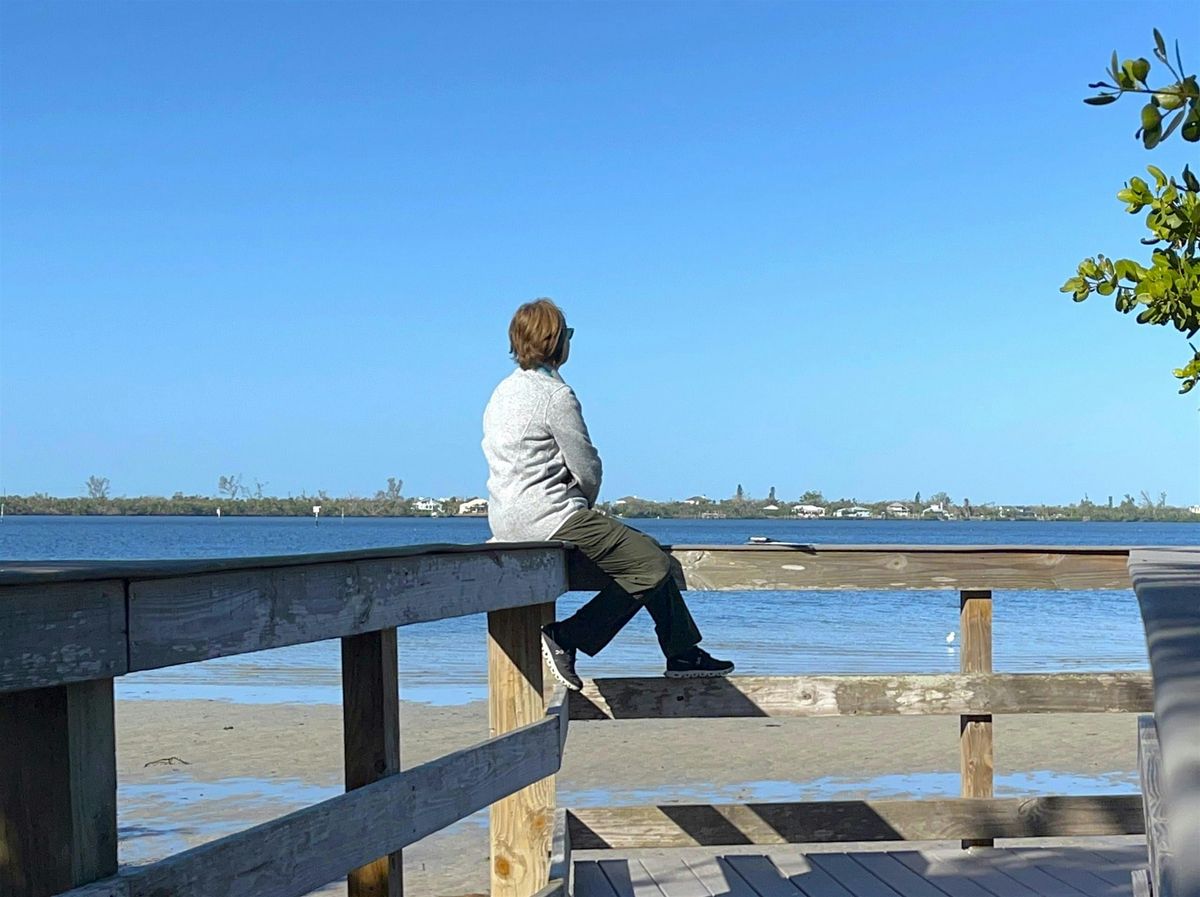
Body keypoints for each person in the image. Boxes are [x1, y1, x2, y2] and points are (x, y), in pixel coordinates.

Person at [481, 298, 734, 690]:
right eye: (568, 334)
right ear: (556, 341)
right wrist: (583, 498)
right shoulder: (554, 395)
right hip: (548, 514)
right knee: (651, 563)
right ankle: (568, 636)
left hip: (505, 517)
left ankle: (682, 651)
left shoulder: (502, 391)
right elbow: (586, 465)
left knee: (645, 548)